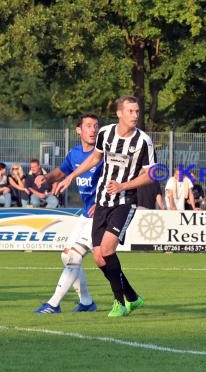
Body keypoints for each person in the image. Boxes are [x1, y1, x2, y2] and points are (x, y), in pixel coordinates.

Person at [56, 95, 155, 317]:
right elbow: (94, 158)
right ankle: (133, 297)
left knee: (108, 249)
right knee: (99, 257)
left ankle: (119, 302)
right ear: (119, 113)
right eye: (130, 111)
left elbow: (150, 174)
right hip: (102, 202)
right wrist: (70, 176)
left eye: (137, 111)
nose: (135, 115)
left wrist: (124, 185)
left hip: (124, 202)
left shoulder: (143, 141)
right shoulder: (106, 134)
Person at [34, 114, 103, 314]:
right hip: (86, 215)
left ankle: (53, 304)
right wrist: (46, 177)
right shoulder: (74, 154)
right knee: (67, 257)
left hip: (102, 214)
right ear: (78, 130)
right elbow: (62, 171)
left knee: (74, 255)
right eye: (88, 126)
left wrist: (102, 202)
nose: (93, 130)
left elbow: (114, 181)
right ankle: (87, 302)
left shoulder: (104, 155)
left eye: (96, 126)